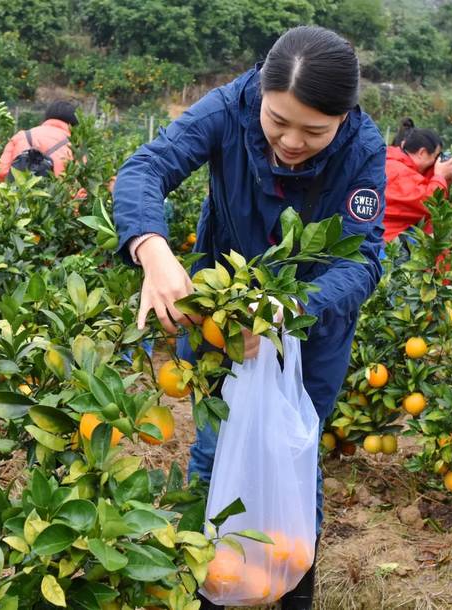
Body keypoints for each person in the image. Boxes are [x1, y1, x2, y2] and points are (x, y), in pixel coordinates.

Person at [113, 26, 386, 610]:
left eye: (314, 131)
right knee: (215, 449)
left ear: (343, 119)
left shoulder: (363, 150)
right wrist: (152, 248)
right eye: (278, 120)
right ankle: (207, 586)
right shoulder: (229, 109)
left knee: (294, 453)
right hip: (221, 328)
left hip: (309, 337)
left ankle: (291, 591)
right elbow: (145, 168)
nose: (291, 140)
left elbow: (361, 261)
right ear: (259, 93)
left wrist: (287, 307)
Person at [383, 123, 452, 244]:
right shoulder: (396, 170)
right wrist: (440, 176)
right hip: (387, 247)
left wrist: (446, 181)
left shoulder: (395, 162)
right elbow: (427, 204)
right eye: (436, 157)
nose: (436, 163)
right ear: (422, 153)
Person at [0, 100, 78, 182]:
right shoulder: (75, 146)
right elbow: (80, 185)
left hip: (18, 192)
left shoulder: (22, 136)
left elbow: (1, 172)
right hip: (55, 193)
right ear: (74, 123)